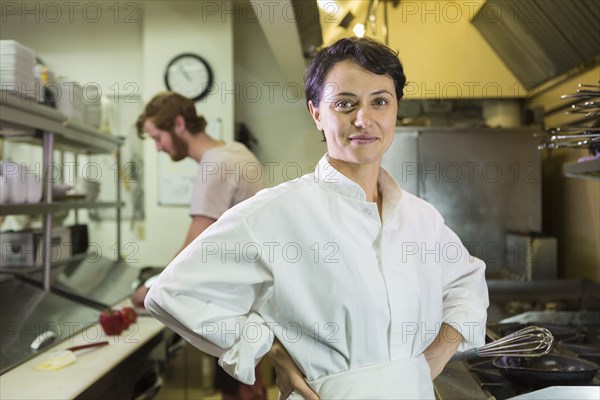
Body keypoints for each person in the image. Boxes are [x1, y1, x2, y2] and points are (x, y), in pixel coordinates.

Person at [145, 38, 489, 399]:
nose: (364, 119)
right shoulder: (277, 212)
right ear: (317, 114)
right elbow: (172, 293)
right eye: (344, 104)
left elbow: (468, 282)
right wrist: (267, 348)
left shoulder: (421, 218)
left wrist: (435, 356)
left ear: (395, 110)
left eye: (380, 102)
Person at [133, 91, 266, 399]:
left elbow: (197, 242)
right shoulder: (234, 150)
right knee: (249, 385)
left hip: (234, 304)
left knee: (240, 391)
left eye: (158, 137)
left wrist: (154, 288)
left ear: (179, 124)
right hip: (250, 299)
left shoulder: (215, 163)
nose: (158, 148)